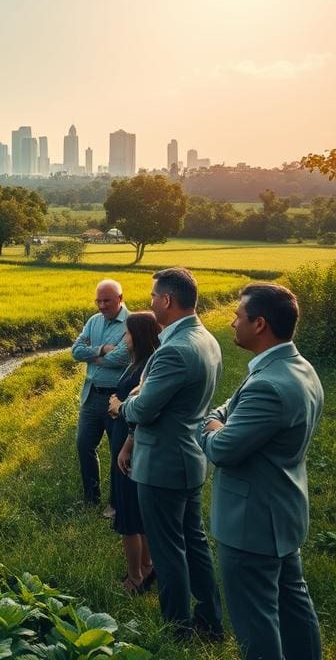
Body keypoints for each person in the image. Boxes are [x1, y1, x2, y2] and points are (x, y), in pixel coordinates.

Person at [197, 284, 323, 660]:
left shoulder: (268, 384)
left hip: (251, 523)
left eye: (239, 315)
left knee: (256, 622)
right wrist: (221, 420)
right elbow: (228, 408)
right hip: (282, 512)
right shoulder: (297, 367)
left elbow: (222, 447)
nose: (233, 322)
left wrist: (211, 427)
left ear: (260, 324)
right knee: (293, 608)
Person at [110, 267, 223, 639]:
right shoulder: (206, 339)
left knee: (168, 549)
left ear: (168, 300)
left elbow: (142, 408)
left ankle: (178, 628)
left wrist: (121, 407)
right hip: (189, 457)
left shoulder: (174, 349)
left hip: (162, 464)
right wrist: (142, 394)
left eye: (153, 296)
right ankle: (210, 617)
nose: (150, 302)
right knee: (194, 542)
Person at [107, 311, 160, 595]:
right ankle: (148, 565)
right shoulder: (140, 362)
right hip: (127, 443)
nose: (123, 337)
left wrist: (118, 404)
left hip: (129, 447)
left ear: (138, 335)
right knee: (137, 512)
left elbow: (139, 409)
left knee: (128, 515)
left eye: (126, 333)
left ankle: (135, 577)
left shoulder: (144, 367)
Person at [71, 279, 130, 509]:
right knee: (84, 445)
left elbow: (121, 358)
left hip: (116, 399)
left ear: (120, 299)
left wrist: (91, 355)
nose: (102, 305)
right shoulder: (94, 321)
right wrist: (102, 350)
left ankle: (116, 504)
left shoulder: (130, 323)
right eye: (99, 300)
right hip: (91, 395)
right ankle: (91, 498)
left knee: (118, 450)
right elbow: (75, 351)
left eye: (107, 300)